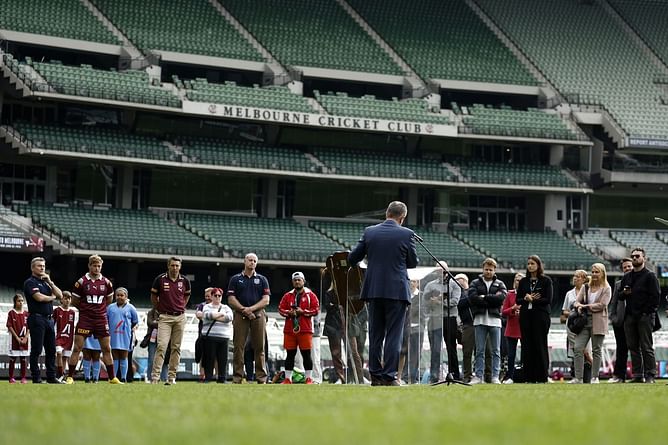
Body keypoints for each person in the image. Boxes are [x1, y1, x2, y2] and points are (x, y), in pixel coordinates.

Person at [348, 201, 419, 386]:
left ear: (386, 213)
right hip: (397, 291)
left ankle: (376, 376)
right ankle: (389, 376)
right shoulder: (406, 234)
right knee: (393, 335)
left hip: (374, 290)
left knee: (375, 334)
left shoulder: (369, 231)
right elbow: (412, 262)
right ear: (402, 217)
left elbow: (352, 258)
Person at [66, 254, 119, 384]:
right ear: (89, 266)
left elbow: (109, 300)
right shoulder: (81, 282)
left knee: (106, 349)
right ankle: (70, 377)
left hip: (101, 319)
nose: (97, 268)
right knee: (77, 348)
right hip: (86, 319)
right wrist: (86, 310)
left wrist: (99, 310)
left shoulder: (106, 283)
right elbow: (74, 301)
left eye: (99, 266)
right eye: (94, 265)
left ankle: (112, 378)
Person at [227, 253, 270, 384]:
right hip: (240, 315)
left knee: (260, 347)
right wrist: (244, 310)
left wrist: (250, 309)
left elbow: (266, 300)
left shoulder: (262, 279)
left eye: (255, 261)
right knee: (238, 347)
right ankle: (237, 377)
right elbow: (231, 299)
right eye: (250, 260)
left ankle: (261, 377)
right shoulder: (235, 279)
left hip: (258, 315)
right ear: (245, 261)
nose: (252, 263)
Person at [619, 247, 661, 383]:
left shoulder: (650, 276)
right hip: (630, 316)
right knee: (633, 346)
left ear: (644, 258)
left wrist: (647, 312)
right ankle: (637, 375)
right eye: (633, 256)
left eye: (637, 256)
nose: (635, 258)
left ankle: (650, 374)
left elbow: (656, 297)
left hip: (645, 316)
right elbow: (619, 296)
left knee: (646, 346)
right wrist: (624, 293)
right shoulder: (627, 277)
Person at [150, 256, 191, 385]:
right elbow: (153, 296)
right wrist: (160, 309)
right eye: (172, 265)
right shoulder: (160, 279)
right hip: (165, 317)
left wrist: (181, 307)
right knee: (161, 346)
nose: (175, 268)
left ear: (180, 267)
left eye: (177, 266)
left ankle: (171, 377)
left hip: (180, 317)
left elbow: (186, 296)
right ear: (168, 266)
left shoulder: (185, 281)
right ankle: (155, 377)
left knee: (176, 347)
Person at [24, 256, 63, 384]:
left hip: (49, 320)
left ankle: (51, 377)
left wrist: (50, 282)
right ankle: (36, 377)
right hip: (37, 318)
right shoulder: (30, 282)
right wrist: (52, 298)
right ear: (32, 268)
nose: (42, 268)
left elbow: (60, 295)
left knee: (51, 350)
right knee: (37, 349)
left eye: (44, 266)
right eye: (39, 266)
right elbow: (39, 298)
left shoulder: (46, 282)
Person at [468, 258, 507, 385]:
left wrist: (484, 297)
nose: (488, 272)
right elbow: (473, 298)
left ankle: (495, 376)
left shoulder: (500, 284)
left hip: (495, 320)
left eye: (491, 270)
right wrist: (491, 299)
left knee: (496, 351)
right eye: (486, 269)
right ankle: (478, 376)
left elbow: (501, 298)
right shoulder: (475, 283)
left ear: (494, 270)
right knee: (479, 350)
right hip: (479, 320)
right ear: (483, 269)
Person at [571, 263, 611, 384]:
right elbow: (576, 301)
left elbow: (602, 305)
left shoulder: (607, 288)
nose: (594, 274)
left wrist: (585, 306)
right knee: (577, 348)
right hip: (584, 322)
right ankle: (578, 378)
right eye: (592, 272)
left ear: (602, 273)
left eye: (597, 272)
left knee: (596, 350)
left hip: (598, 321)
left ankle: (595, 377)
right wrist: (578, 306)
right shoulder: (586, 287)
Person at [423, 261, 461, 382]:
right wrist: (432, 302)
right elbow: (425, 303)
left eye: (443, 270)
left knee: (451, 347)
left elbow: (455, 301)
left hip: (449, 319)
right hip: (435, 319)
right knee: (435, 349)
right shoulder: (429, 285)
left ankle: (454, 374)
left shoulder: (454, 284)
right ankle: (434, 377)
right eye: (438, 270)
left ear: (447, 271)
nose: (440, 273)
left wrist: (439, 302)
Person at [278, 271, 320, 384]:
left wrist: (304, 312)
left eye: (299, 279)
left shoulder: (310, 295)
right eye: (295, 280)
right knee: (290, 354)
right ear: (292, 282)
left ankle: (308, 378)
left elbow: (316, 309)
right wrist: (289, 313)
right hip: (289, 330)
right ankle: (288, 379)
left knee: (306, 354)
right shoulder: (287, 295)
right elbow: (281, 309)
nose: (297, 282)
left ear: (303, 281)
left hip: (305, 329)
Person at [516, 255, 553, 383]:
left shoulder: (546, 281)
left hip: (541, 316)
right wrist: (526, 299)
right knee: (527, 345)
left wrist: (534, 300)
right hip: (526, 316)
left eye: (532, 263)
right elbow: (518, 299)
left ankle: (542, 376)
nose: (530, 266)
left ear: (538, 265)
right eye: (529, 263)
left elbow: (548, 300)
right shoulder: (523, 281)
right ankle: (529, 377)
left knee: (540, 344)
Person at [196, 287, 233, 383]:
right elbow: (208, 315)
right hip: (210, 336)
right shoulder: (206, 306)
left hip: (223, 337)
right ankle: (208, 377)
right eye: (215, 295)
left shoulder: (226, 307)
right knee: (209, 358)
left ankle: (222, 378)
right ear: (211, 296)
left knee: (222, 359)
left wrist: (215, 316)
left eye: (219, 295)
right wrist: (221, 315)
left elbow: (230, 317)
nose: (217, 297)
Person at [608, 257, 633, 383]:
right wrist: (613, 318)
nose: (627, 268)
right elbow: (613, 302)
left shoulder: (640, 282)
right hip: (620, 322)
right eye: (625, 267)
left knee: (638, 349)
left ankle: (640, 375)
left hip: (636, 320)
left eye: (629, 266)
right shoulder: (618, 284)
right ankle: (619, 376)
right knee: (621, 349)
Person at [107, 287, 139, 383]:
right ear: (115, 296)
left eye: (122, 295)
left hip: (125, 336)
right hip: (113, 335)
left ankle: (124, 377)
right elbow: (106, 320)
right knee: (115, 356)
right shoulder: (110, 308)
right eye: (118, 295)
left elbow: (135, 321)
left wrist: (131, 329)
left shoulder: (131, 308)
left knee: (124, 356)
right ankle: (115, 377)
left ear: (126, 297)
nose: (120, 297)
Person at [561, 269, 587, 379]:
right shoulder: (569, 294)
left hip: (585, 325)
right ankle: (576, 376)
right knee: (574, 351)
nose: (575, 278)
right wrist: (574, 312)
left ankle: (588, 375)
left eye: (578, 276)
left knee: (585, 350)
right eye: (574, 276)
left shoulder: (588, 291)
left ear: (584, 279)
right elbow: (564, 311)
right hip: (572, 326)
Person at [501, 272, 523, 384]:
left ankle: (526, 375)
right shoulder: (509, 294)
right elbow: (504, 312)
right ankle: (510, 377)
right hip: (512, 328)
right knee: (511, 354)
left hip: (524, 328)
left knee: (526, 354)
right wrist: (513, 308)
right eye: (516, 279)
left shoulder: (528, 295)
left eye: (520, 280)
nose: (517, 282)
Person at [322, 282, 345, 383]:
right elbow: (328, 306)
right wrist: (337, 306)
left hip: (345, 325)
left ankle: (354, 376)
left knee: (352, 351)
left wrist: (335, 306)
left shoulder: (345, 292)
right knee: (336, 352)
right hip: (333, 326)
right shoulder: (329, 293)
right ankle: (340, 376)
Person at [6, 293, 29, 384]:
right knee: (13, 358)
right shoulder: (11, 313)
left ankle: (23, 378)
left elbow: (29, 327)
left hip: (25, 340)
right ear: (15, 302)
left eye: (22, 301)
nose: (21, 302)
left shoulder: (27, 314)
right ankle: (11, 377)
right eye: (19, 301)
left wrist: (26, 337)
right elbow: (9, 326)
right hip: (14, 339)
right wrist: (17, 338)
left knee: (23, 358)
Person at [54, 291, 76, 381]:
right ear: (61, 299)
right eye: (65, 298)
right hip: (58, 337)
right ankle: (60, 373)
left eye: (69, 298)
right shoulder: (57, 310)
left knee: (65, 357)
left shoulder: (72, 312)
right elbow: (53, 324)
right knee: (59, 353)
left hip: (68, 338)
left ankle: (62, 376)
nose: (67, 300)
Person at [144, 307, 168, 382]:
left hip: (164, 339)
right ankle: (150, 378)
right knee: (151, 360)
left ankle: (164, 378)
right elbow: (150, 323)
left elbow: (167, 324)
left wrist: (156, 322)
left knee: (164, 360)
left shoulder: (167, 311)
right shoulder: (151, 312)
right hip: (153, 340)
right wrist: (161, 323)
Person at [195, 288, 213, 382]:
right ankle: (202, 375)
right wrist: (212, 317)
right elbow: (198, 315)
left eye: (209, 296)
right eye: (206, 296)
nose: (207, 298)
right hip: (203, 334)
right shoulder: (202, 305)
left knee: (215, 356)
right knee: (202, 355)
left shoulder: (219, 306)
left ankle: (217, 376)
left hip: (215, 334)